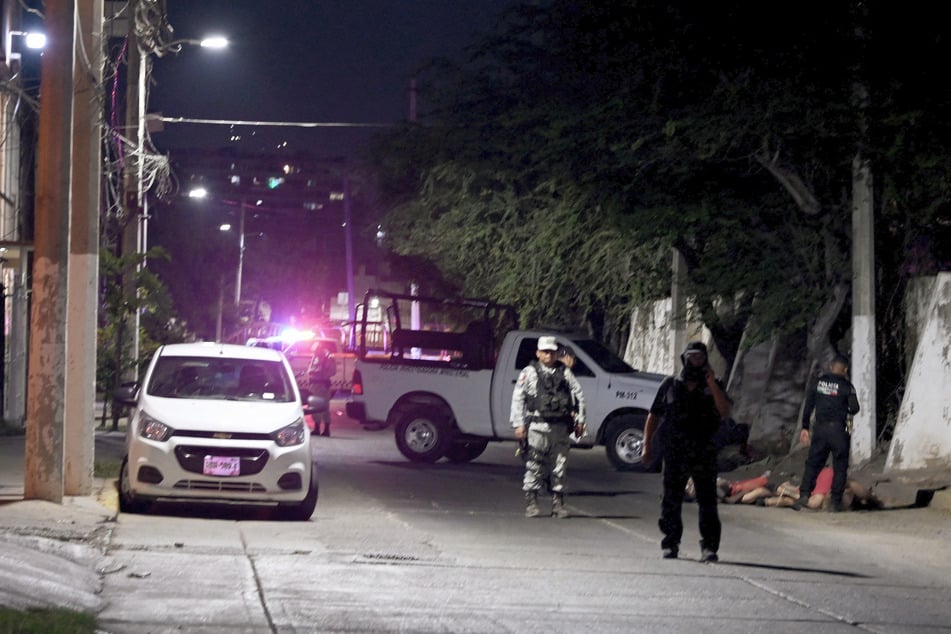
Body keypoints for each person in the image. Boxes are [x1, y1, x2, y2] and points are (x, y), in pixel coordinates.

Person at [642, 341, 732, 562]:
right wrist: (647, 445)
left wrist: (711, 383)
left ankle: (709, 547)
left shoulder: (714, 385)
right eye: (692, 357)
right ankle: (671, 543)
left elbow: (725, 412)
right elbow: (653, 416)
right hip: (675, 450)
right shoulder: (671, 385)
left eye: (700, 357)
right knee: (671, 500)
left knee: (707, 501)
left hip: (704, 450)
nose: (696, 361)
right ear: (685, 358)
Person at [511, 335, 586, 519]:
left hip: (560, 428)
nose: (548, 355)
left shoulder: (565, 373)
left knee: (559, 466)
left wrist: (581, 421)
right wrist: (518, 424)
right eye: (545, 352)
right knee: (534, 465)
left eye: (552, 352)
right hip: (537, 427)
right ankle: (532, 503)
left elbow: (579, 395)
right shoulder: (528, 373)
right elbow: (518, 398)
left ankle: (558, 504)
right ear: (538, 353)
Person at [794, 354, 860, 512]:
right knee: (840, 466)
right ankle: (835, 502)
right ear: (845, 370)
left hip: (820, 429)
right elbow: (855, 408)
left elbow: (809, 405)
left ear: (831, 367)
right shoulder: (847, 386)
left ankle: (804, 495)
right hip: (838, 430)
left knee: (813, 463)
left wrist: (805, 427)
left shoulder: (818, 383)